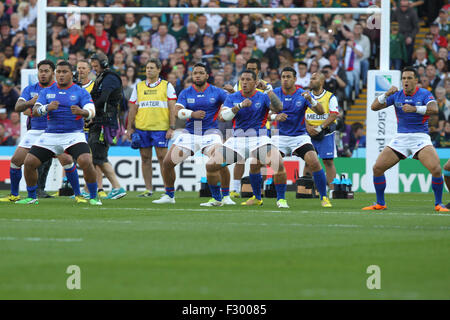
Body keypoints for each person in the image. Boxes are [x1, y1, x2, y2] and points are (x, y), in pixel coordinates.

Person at [363, 67, 448, 212]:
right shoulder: (396, 95)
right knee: (377, 168)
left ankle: (438, 204)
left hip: (420, 137)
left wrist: (415, 109)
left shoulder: (424, 93)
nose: (406, 81)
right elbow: (374, 107)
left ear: (416, 80)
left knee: (436, 169)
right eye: (403, 78)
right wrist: (386, 93)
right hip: (400, 138)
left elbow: (434, 109)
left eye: (409, 78)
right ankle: (380, 203)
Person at [17, 61, 101, 205]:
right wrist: (46, 108)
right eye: (59, 72)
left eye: (64, 72)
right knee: (29, 162)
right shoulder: (46, 92)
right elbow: (36, 110)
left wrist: (83, 112)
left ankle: (93, 196)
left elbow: (91, 110)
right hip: (51, 135)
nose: (61, 75)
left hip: (74, 135)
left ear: (71, 74)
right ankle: (32, 197)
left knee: (86, 161)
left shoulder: (80, 92)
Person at [0, 60, 84, 202]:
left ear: (53, 73)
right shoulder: (30, 89)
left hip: (54, 131)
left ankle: (78, 195)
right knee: (15, 161)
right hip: (35, 131)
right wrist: (30, 102)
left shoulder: (59, 89)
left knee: (67, 161)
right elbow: (18, 107)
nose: (43, 74)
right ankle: (14, 195)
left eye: (46, 71)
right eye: (41, 71)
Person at [152, 63, 234, 205]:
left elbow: (234, 102)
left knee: (220, 162)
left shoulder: (217, 92)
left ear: (207, 76)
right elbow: (177, 111)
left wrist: (233, 92)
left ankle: (226, 196)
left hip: (211, 133)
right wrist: (192, 114)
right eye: (195, 72)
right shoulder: (186, 92)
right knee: (167, 163)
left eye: (201, 73)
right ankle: (169, 196)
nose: (197, 75)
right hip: (190, 134)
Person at [205, 69, 289, 208]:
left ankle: (281, 200)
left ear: (256, 83)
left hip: (259, 139)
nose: (244, 82)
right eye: (242, 79)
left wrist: (268, 89)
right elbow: (222, 116)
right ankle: (216, 199)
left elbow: (279, 107)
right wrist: (239, 106)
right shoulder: (233, 97)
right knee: (211, 165)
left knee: (278, 163)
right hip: (237, 140)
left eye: (248, 80)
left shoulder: (263, 96)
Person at [271, 68, 332, 207]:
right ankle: (280, 199)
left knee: (314, 162)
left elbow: (321, 112)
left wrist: (311, 99)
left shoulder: (303, 94)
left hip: (299, 137)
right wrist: (275, 116)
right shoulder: (275, 93)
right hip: (280, 137)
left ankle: (324, 197)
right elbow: (265, 113)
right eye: (283, 77)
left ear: (295, 79)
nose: (285, 79)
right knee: (276, 164)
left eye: (288, 77)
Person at [126, 58, 177, 197]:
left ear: (159, 70)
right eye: (147, 68)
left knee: (164, 159)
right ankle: (148, 189)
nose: (149, 70)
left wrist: (171, 127)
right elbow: (133, 108)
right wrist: (130, 128)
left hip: (160, 128)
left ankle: (168, 190)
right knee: (145, 158)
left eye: (152, 68)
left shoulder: (167, 86)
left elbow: (172, 108)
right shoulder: (139, 86)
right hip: (142, 128)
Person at [223, 58, 273, 198]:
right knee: (240, 159)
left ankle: (260, 189)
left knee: (259, 161)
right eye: (248, 68)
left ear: (258, 71)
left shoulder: (265, 86)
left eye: (253, 69)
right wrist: (232, 91)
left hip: (261, 127)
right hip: (240, 126)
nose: (250, 71)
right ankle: (236, 189)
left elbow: (272, 106)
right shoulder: (239, 84)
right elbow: (236, 98)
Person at [89, 53, 127, 200]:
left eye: (96, 66)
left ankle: (117, 187)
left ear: (104, 64)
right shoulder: (103, 77)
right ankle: (89, 189)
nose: (94, 69)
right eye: (92, 67)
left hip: (105, 122)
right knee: (95, 156)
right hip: (100, 120)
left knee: (99, 156)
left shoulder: (110, 78)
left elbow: (103, 98)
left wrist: (88, 110)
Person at [304, 72, 339, 191]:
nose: (311, 80)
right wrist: (308, 127)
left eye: (314, 78)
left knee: (328, 161)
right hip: (309, 133)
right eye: (311, 78)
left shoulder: (330, 97)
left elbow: (334, 115)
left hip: (326, 133)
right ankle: (306, 190)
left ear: (322, 82)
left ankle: (332, 190)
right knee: (308, 161)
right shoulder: (305, 95)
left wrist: (320, 128)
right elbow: (300, 114)